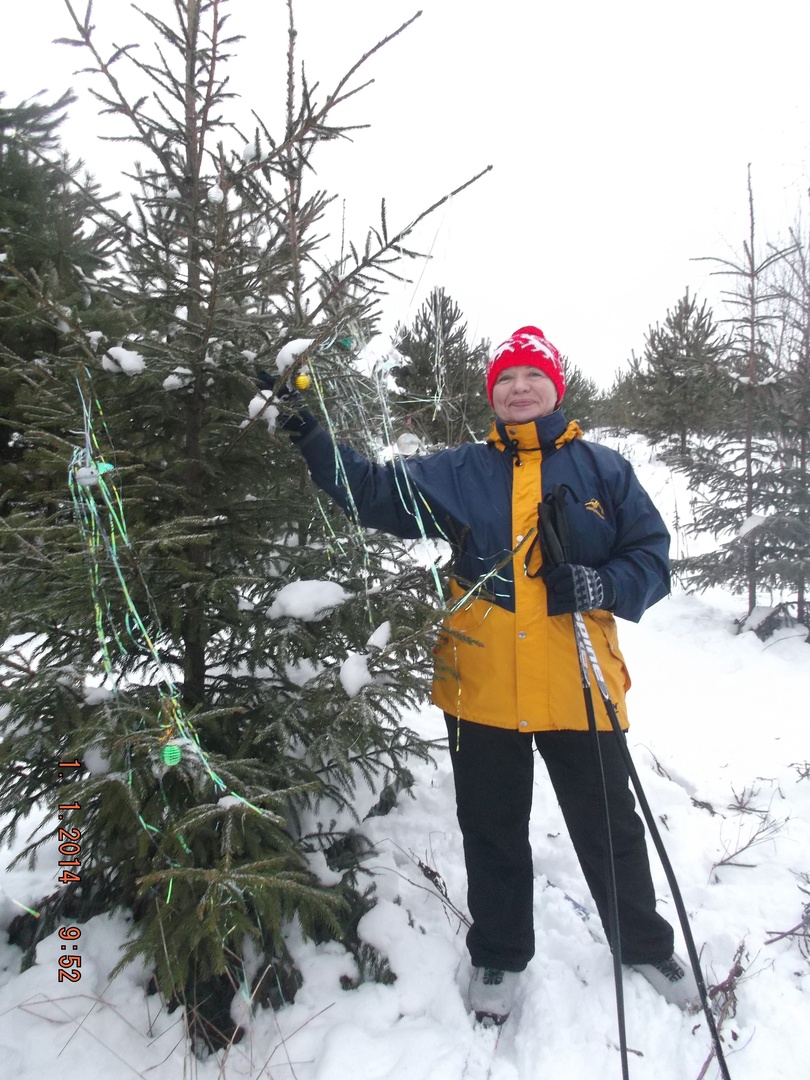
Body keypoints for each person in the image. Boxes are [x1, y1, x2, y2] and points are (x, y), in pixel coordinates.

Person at [272, 325, 699, 1024]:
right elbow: (374, 493)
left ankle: (644, 943)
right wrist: (308, 432)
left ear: (555, 387)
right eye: (506, 380)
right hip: (481, 685)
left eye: (532, 377)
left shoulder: (603, 470)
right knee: (491, 827)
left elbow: (653, 557)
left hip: (579, 684)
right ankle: (498, 952)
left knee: (609, 825)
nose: (520, 389)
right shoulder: (459, 471)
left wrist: (601, 582)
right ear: (492, 396)